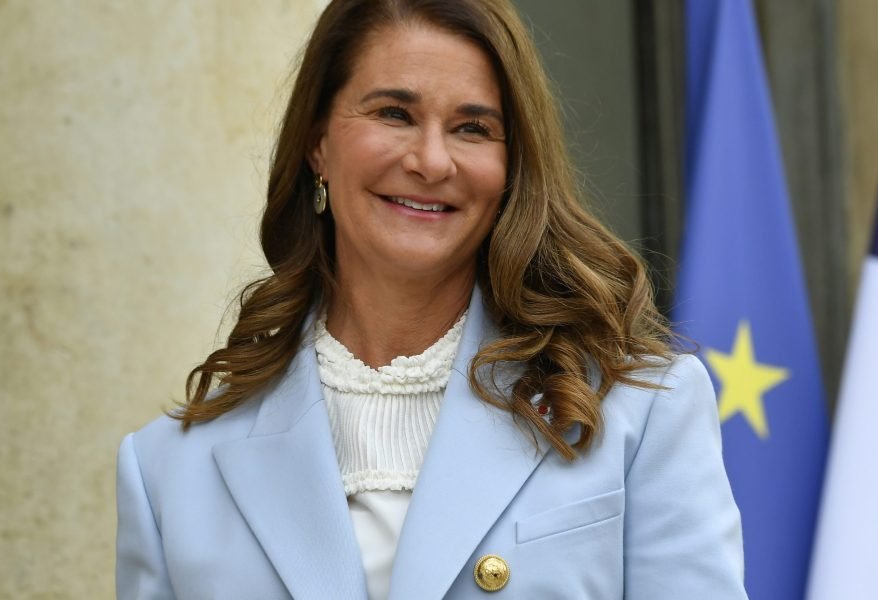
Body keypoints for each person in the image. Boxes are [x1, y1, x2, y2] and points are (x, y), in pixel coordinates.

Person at [116, 0, 747, 598]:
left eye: (473, 128)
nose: (431, 160)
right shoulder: (168, 469)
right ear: (317, 142)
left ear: (512, 166)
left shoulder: (641, 412)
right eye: (394, 114)